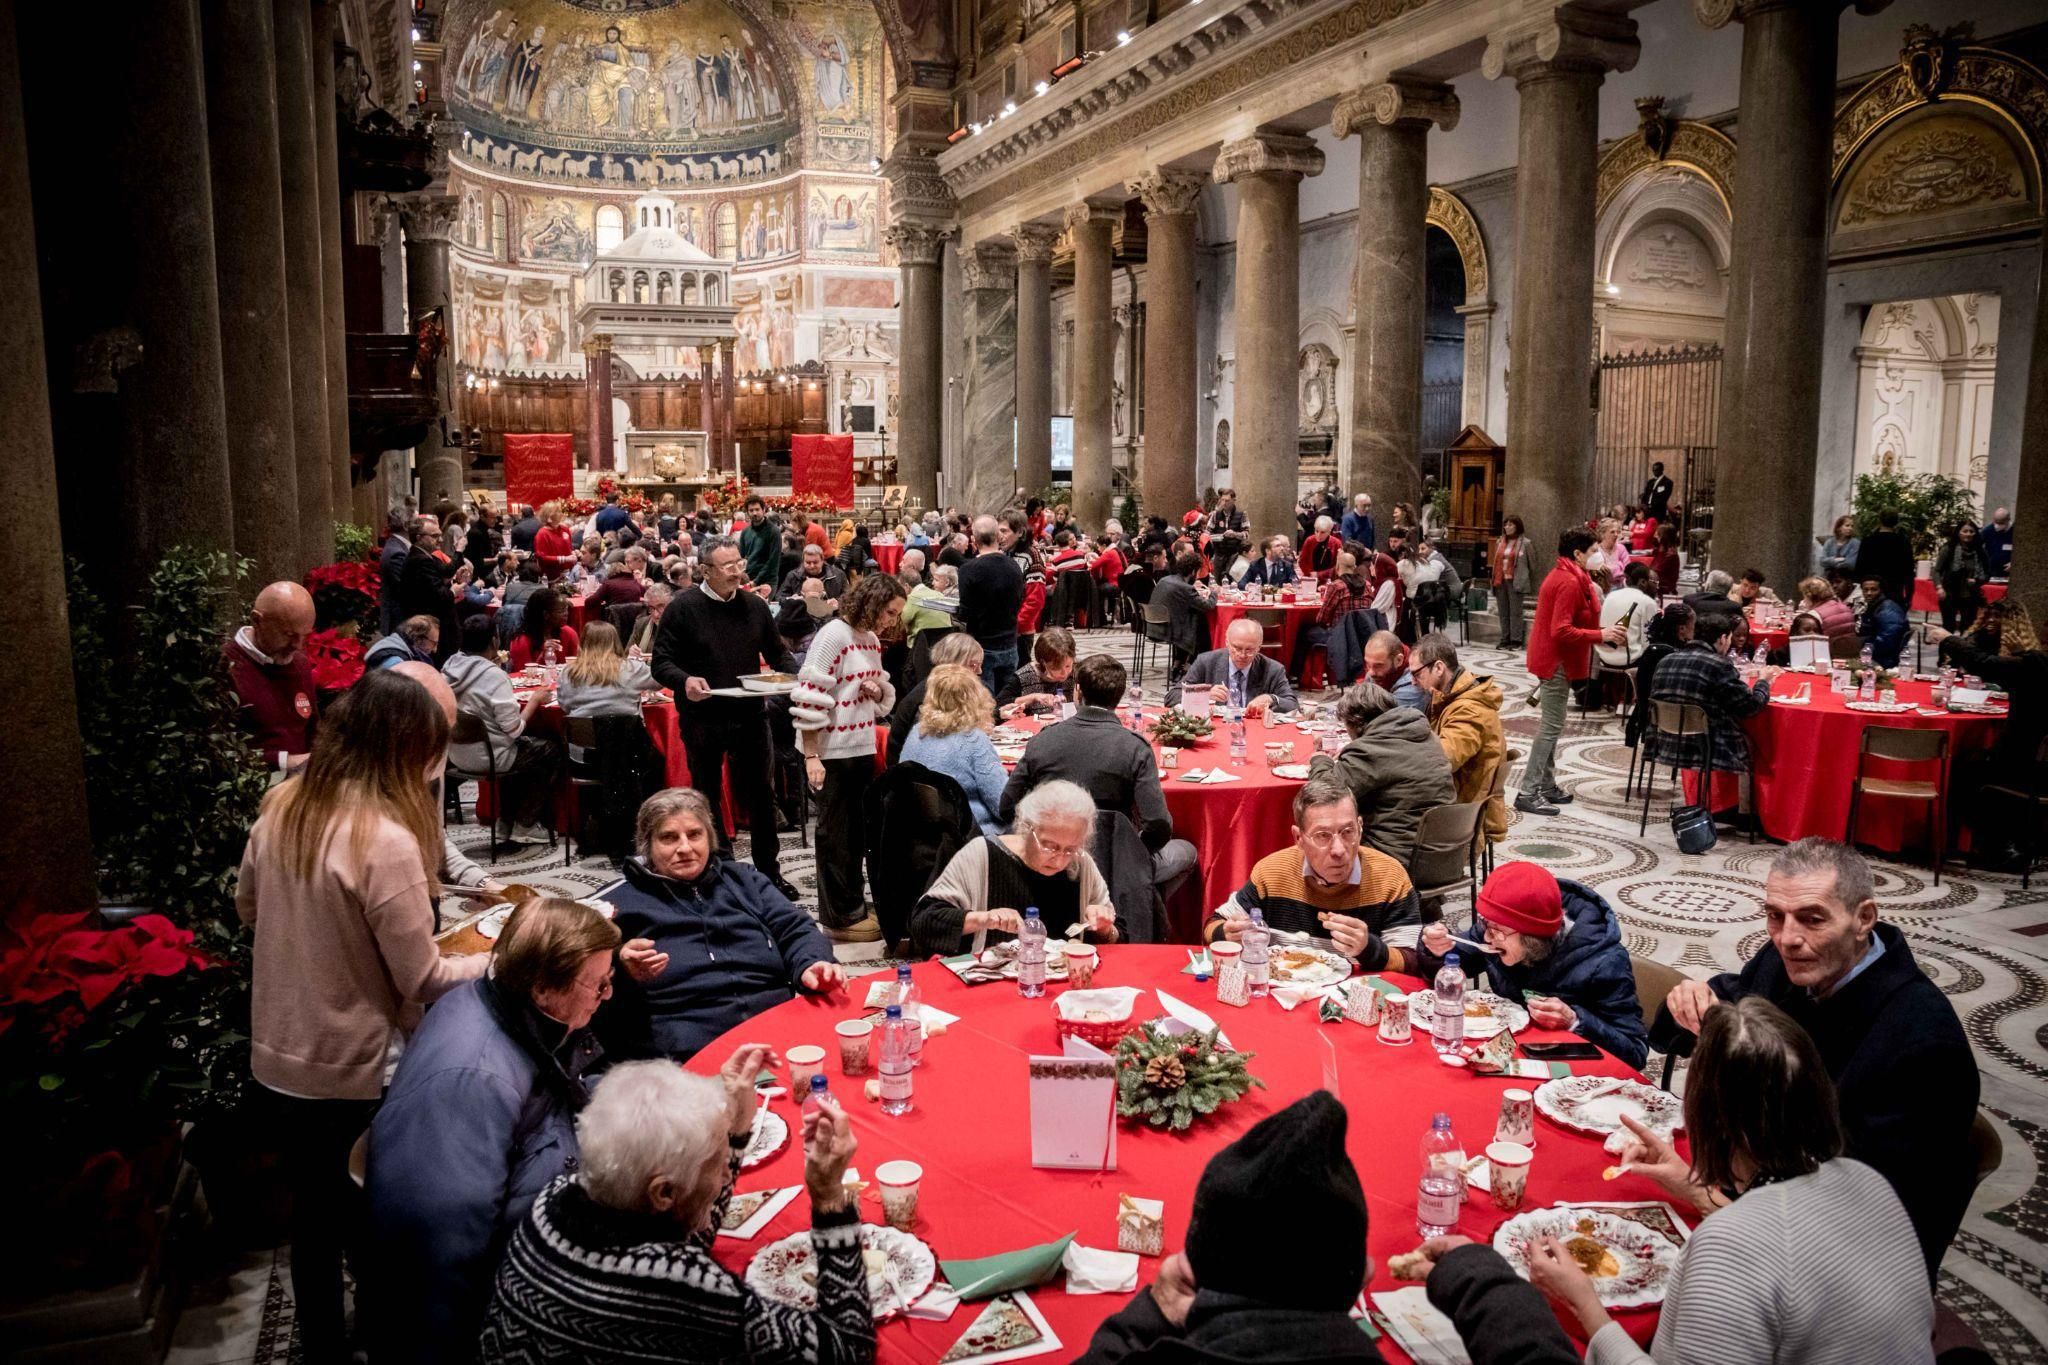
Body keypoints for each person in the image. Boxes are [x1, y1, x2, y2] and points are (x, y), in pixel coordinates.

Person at [234, 671, 490, 1360]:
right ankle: (388, 1341)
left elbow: (248, 908)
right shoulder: (384, 838)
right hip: (357, 1064)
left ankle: (321, 1346)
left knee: (312, 1223)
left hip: (280, 1051)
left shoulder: (283, 802)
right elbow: (426, 976)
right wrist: (503, 959)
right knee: (379, 1220)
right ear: (409, 749)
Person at [1535, 999, 1935, 1365]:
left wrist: (1585, 1307)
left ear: (1708, 1120)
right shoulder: (1869, 1181)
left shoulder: (1727, 1246)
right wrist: (1694, 1189)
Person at [1650, 839, 1976, 1281]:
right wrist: (1689, 1001)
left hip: (1837, 1268)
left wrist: (1707, 1199)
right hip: (1755, 1197)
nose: (1787, 938)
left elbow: (1867, 1212)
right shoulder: (1789, 960)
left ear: (1864, 918)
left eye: (1812, 918)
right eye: (1773, 916)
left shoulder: (1924, 1045)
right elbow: (1731, 1005)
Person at [479, 1054, 874, 1364]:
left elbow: (683, 1237)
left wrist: (734, 1131)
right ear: (664, 1193)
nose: (726, 1174)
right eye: (718, 1162)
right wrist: (828, 1200)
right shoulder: (684, 1287)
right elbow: (847, 1347)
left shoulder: (552, 1202)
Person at [366, 898, 619, 1364]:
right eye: (599, 985)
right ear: (544, 988)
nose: (607, 996)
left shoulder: (504, 1005)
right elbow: (440, 1260)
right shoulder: (473, 1081)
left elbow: (552, 1099)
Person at [601, 788, 843, 1060]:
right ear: (647, 845)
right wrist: (619, 966)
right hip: (688, 1048)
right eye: (669, 838)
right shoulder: (618, 903)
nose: (685, 848)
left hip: (776, 1028)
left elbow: (795, 928)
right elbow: (576, 969)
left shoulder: (744, 880)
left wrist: (811, 962)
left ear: (710, 837)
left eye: (694, 835)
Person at [649, 536, 800, 897]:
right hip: (704, 716)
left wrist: (792, 677)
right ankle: (717, 868)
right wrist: (685, 681)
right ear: (705, 570)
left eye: (739, 564)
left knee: (762, 795)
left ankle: (769, 872)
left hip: (749, 712)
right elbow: (661, 663)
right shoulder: (683, 608)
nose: (737, 573)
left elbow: (779, 655)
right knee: (707, 793)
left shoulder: (755, 606)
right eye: (728, 566)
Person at [1414, 862, 1647, 1069]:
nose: (1486, 938)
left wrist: (1575, 1020)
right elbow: (1452, 967)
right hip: (1508, 1054)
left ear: (1532, 937)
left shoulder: (1604, 962)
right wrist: (1435, 950)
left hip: (1569, 1072)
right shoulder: (1497, 929)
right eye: (1486, 924)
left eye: (1497, 930)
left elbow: (1635, 1054)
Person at [1001, 656, 1198, 897]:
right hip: (1114, 857)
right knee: (1187, 852)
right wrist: (1131, 853)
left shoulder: (1043, 740)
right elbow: (1158, 824)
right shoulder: (1134, 747)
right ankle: (1137, 905)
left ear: (1078, 691)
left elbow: (1007, 806)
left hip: (1051, 855)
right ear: (1120, 696)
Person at [791, 573, 903, 940]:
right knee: (835, 835)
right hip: (831, 750)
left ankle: (852, 903)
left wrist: (876, 689)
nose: (892, 621)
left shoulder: (869, 639)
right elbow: (808, 696)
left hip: (861, 745)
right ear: (872, 604)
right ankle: (839, 916)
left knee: (856, 834)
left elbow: (877, 687)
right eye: (889, 612)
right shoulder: (833, 635)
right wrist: (811, 756)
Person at [1205, 781, 1422, 970]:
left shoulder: (1389, 877)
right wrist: (1226, 932)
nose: (1338, 849)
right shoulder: (1272, 873)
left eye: (1348, 832)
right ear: (1298, 838)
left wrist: (1369, 948)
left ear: (1360, 827)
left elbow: (1413, 961)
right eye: (1322, 836)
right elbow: (1212, 926)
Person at [911, 779, 1124, 956]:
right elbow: (923, 924)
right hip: (993, 988)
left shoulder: (1080, 863)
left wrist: (1105, 929)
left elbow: (1119, 937)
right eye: (1049, 847)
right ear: (1026, 828)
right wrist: (984, 918)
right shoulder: (982, 855)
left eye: (1070, 849)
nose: (1059, 860)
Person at [1521, 528, 1628, 815]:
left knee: (1553, 725)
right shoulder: (1568, 581)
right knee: (1551, 726)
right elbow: (1561, 630)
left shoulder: (1573, 576)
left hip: (1559, 660)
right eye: (1592, 551)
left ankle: (1546, 784)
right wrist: (1601, 634)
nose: (1597, 556)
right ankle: (1527, 790)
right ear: (1577, 554)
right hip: (1555, 661)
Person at [1928, 619, 2047, 872]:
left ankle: (1993, 847)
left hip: (2024, 765)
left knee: (1961, 765)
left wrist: (1948, 639)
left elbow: (1984, 664)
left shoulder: (2037, 663)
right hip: (2041, 764)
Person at [443, 614, 565, 845]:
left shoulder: (449, 667)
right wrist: (535, 701)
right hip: (490, 755)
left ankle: (505, 821)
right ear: (494, 641)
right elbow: (514, 730)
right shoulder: (494, 676)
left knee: (524, 748)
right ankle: (525, 823)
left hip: (456, 752)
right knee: (550, 748)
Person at [1308, 680, 1454, 867]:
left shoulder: (1370, 749)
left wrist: (1320, 759)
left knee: (1314, 841)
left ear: (1356, 724)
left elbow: (1323, 793)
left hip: (1399, 857)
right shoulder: (1424, 734)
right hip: (1448, 854)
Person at [1644, 611, 1776, 786]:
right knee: (1758, 744)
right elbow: (1750, 707)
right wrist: (1763, 682)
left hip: (1663, 743)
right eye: (1729, 639)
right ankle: (1742, 809)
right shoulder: (1719, 665)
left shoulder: (1665, 660)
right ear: (1723, 638)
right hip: (1706, 748)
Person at [1412, 634, 1507, 847]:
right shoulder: (1453, 695)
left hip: (1463, 820)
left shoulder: (1469, 709)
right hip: (1458, 802)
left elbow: (1444, 759)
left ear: (1438, 668)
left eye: (1416, 674)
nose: (1412, 681)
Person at [901, 664, 1009, 835]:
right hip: (970, 835)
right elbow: (1002, 806)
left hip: (920, 832)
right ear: (975, 698)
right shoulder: (973, 739)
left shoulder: (917, 732)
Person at [226, 580, 319, 773]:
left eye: (305, 636)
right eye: (289, 634)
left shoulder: (299, 663)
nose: (298, 645)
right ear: (256, 620)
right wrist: (286, 762)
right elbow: (221, 752)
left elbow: (313, 730)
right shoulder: (225, 668)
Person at [1168, 618, 1299, 714]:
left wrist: (1271, 699)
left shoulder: (1272, 669)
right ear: (1227, 642)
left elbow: (1293, 704)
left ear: (1259, 647)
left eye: (1249, 650)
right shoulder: (1206, 662)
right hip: (1216, 730)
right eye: (1236, 648)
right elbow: (1171, 697)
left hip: (1254, 732)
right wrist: (1203, 695)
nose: (1242, 655)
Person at [958, 514, 1027, 696]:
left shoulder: (968, 570)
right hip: (1010, 641)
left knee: (984, 703)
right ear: (998, 536)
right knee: (1007, 700)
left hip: (982, 646)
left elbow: (965, 612)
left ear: (974, 539)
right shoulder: (1014, 566)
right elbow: (1020, 600)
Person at [394, 515, 458, 660]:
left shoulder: (426, 557)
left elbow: (436, 582)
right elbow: (437, 595)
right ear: (419, 537)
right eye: (435, 536)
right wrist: (454, 590)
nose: (440, 540)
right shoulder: (419, 560)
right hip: (429, 626)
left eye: (440, 536)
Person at [1152, 549, 1218, 680]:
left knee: (1193, 618)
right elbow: (1208, 606)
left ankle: (1179, 662)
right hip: (1168, 630)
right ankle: (1191, 665)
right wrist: (1213, 593)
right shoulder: (1185, 588)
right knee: (1200, 624)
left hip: (1152, 625)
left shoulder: (1165, 580)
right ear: (1193, 571)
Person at [775, 541, 848, 643]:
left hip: (831, 623)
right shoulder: (793, 576)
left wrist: (838, 602)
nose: (812, 566)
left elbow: (849, 598)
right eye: (808, 563)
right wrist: (791, 601)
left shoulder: (838, 575)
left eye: (815, 562)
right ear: (803, 561)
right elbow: (780, 596)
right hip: (801, 626)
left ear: (822, 560)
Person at [996, 626, 1077, 713]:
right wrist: (1033, 697)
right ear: (1043, 662)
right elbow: (999, 705)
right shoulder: (1025, 676)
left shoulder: (1078, 672)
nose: (1064, 673)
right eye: (1056, 668)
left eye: (1068, 666)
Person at [1596, 561, 1657, 670]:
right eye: (1653, 582)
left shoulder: (1611, 595)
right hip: (1627, 660)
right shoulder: (1647, 602)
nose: (1656, 586)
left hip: (1602, 656)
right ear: (1643, 582)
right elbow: (1648, 641)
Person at [1935, 519, 1990, 631]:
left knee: (1968, 628)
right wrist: (1939, 587)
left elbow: (1988, 573)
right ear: (1959, 532)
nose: (1968, 534)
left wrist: (1978, 581)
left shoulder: (1980, 551)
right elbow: (1936, 570)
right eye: (1965, 531)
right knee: (1948, 627)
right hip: (1950, 593)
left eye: (1971, 531)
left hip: (1970, 595)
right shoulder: (1948, 549)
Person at [507, 587, 581, 670]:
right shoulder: (521, 641)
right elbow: (521, 674)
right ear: (546, 615)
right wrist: (542, 654)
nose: (566, 614)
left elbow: (578, 666)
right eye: (561, 611)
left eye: (566, 610)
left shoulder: (568, 633)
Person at [1490, 514, 1534, 648]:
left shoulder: (1525, 543)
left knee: (1515, 611)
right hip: (1500, 580)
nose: (1507, 527)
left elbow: (1532, 564)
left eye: (1510, 524)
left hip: (1515, 581)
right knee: (1503, 611)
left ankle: (1516, 640)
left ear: (1517, 526)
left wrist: (1524, 577)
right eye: (1506, 524)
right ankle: (1505, 638)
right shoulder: (1499, 542)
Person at [1856, 508, 1915, 604]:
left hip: (1870, 590)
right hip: (1894, 590)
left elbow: (1859, 568)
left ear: (1879, 520)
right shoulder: (1903, 542)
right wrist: (1909, 597)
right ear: (1896, 522)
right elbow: (1908, 571)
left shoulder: (1868, 541)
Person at [1362, 630, 1428, 710]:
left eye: (1378, 665)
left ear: (1399, 660)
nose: (1370, 672)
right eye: (1368, 664)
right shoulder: (1376, 672)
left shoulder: (1413, 686)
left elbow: (1383, 720)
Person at [1857, 575, 1909, 667]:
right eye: (1865, 590)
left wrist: (1864, 648)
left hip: (1883, 659)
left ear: (1881, 590)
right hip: (1873, 652)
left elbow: (1888, 639)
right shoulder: (1874, 606)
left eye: (1873, 589)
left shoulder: (1888, 609)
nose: (1869, 593)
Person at [363, 613, 441, 671]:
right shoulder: (395, 662)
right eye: (433, 643)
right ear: (418, 638)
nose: (435, 650)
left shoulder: (394, 644)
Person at [738, 494, 783, 588]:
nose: (754, 513)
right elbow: (741, 557)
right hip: (748, 579)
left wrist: (756, 581)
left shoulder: (774, 531)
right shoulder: (745, 532)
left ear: (764, 510)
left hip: (767, 581)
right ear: (747, 513)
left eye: (757, 509)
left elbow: (773, 561)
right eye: (751, 510)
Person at [533, 501, 575, 580]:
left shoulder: (565, 529)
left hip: (569, 573)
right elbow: (542, 557)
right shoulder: (542, 534)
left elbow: (569, 548)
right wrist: (565, 559)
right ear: (549, 517)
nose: (561, 513)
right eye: (557, 512)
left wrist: (574, 553)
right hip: (552, 576)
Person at [1817, 514, 1861, 580]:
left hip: (1847, 578)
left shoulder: (1855, 543)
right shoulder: (1829, 542)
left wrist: (1830, 563)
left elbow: (1850, 563)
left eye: (1852, 526)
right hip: (1829, 577)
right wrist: (1836, 559)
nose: (1850, 528)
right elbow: (1822, 561)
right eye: (1847, 525)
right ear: (1839, 528)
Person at [1298, 517, 1341, 582]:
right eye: (1316, 531)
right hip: (1310, 579)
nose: (1318, 535)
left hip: (1329, 580)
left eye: (1322, 532)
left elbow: (1338, 566)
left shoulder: (1336, 543)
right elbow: (1302, 561)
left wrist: (1320, 575)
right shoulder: (1309, 540)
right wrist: (1310, 574)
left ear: (1329, 532)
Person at [1650, 521, 1682, 598]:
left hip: (1664, 594)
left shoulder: (1670, 556)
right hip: (1656, 590)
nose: (1655, 535)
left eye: (1658, 534)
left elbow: (1657, 572)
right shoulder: (1659, 552)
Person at [1982, 505, 2014, 576]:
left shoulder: (2015, 531)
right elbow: (1977, 545)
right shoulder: (1988, 531)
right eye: (1996, 522)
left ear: (2008, 520)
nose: (1998, 525)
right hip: (1992, 570)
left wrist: (2014, 563)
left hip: (2009, 571)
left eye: (2001, 523)